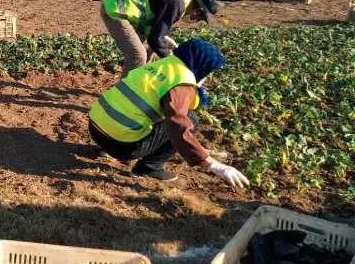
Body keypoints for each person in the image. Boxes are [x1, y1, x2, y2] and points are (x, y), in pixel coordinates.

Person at [89, 39, 250, 186]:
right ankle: (149, 167)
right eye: (209, 71)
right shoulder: (182, 81)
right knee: (191, 120)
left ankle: (111, 149)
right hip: (120, 146)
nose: (208, 76)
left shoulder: (163, 64)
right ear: (201, 64)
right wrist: (212, 164)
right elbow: (177, 125)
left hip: (95, 128)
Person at [102, 0, 219, 76]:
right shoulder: (177, 3)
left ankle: (140, 81)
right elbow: (155, 39)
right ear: (197, 11)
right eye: (200, 18)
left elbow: (158, 33)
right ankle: (125, 92)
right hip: (117, 7)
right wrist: (171, 60)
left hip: (126, 7)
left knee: (148, 51)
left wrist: (164, 46)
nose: (196, 21)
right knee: (138, 55)